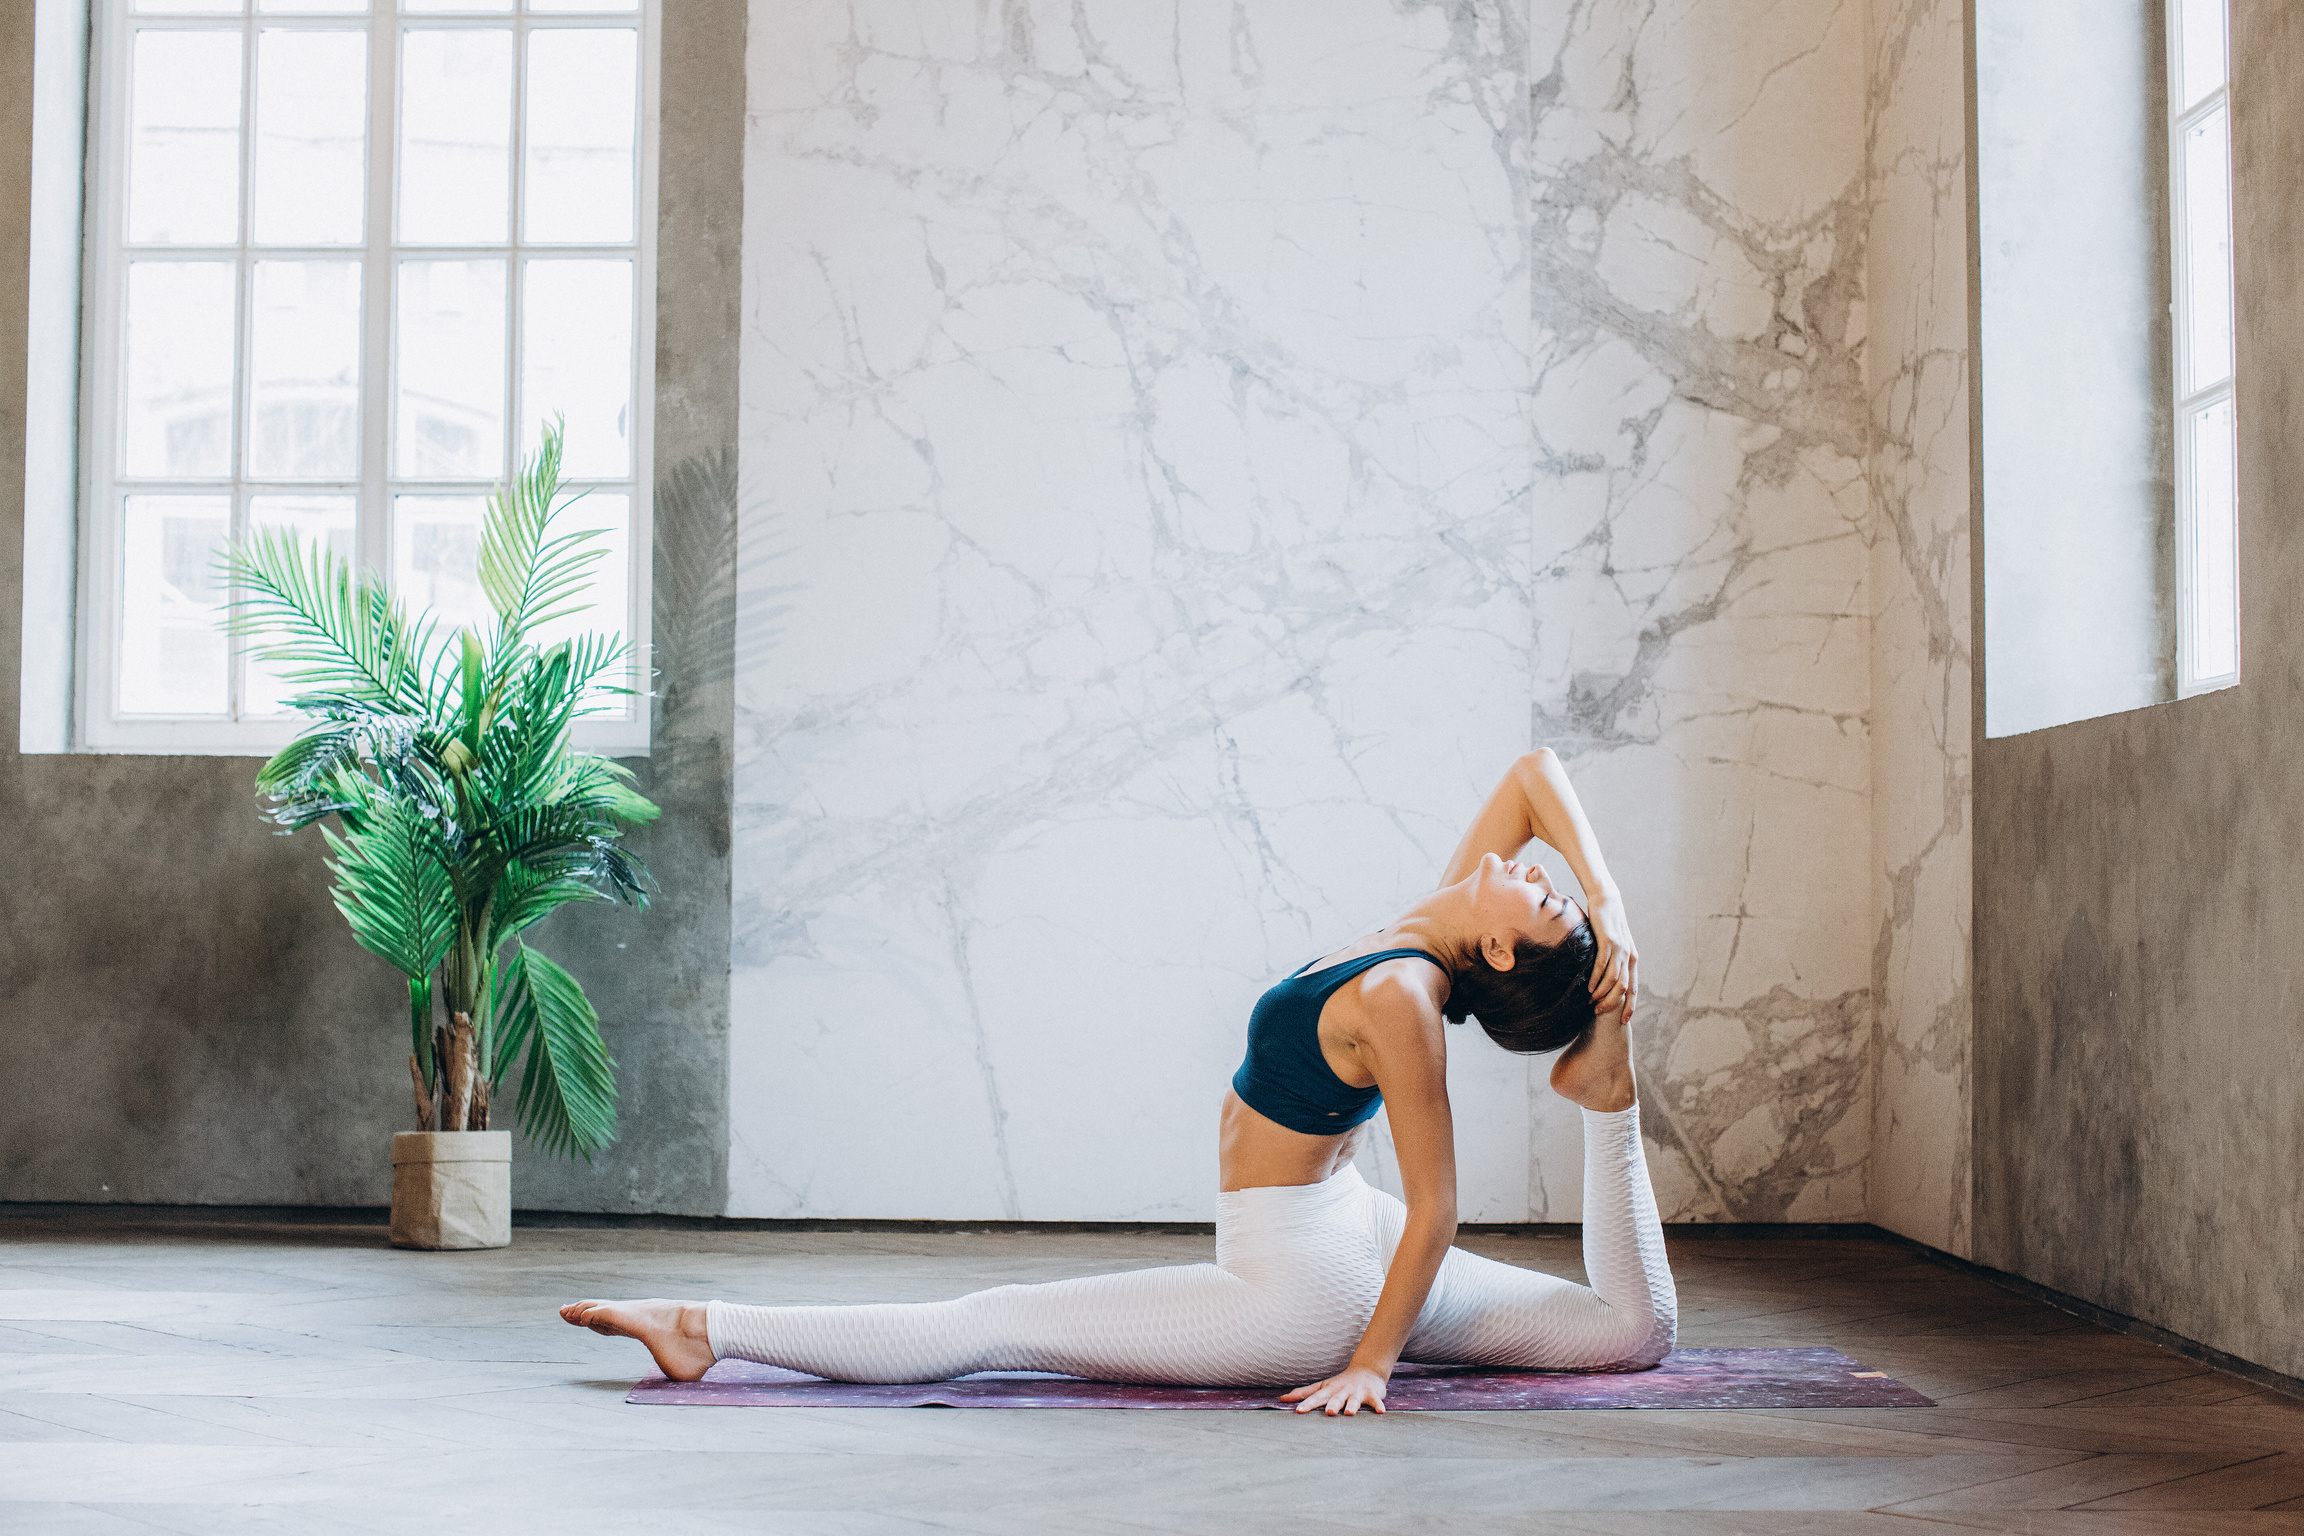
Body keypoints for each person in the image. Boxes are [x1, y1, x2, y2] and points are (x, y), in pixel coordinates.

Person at [561, 748, 1675, 1415]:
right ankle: (1605, 1085)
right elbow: (1536, 773)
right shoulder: (1426, 930)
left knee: (996, 1322)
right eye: (1559, 893)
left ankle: (707, 1328)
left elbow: (1439, 1206)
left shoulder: (1403, 999)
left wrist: (1372, 1364)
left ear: (1497, 954)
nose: (1547, 878)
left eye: (1556, 907)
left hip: (1308, 1285)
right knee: (1629, 1334)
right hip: (1347, 1234)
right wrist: (1612, 913)